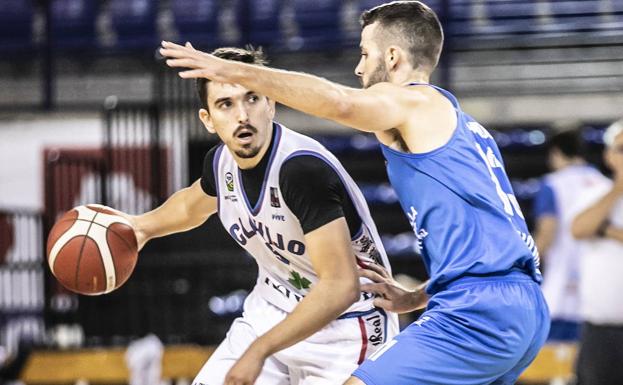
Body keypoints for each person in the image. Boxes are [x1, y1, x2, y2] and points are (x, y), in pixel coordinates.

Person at [159, 1, 549, 384]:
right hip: (520, 308)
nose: (358, 68)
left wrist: (235, 72)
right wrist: (418, 297)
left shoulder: (413, 101)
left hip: (478, 312)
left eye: (365, 54)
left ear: (392, 57)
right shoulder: (464, 128)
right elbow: (491, 247)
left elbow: (340, 103)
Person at [127, 47, 397, 385]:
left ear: (271, 103)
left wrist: (258, 350)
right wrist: (139, 228)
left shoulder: (300, 169)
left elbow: (340, 286)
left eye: (252, 99)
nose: (242, 115)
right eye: (226, 104)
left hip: (346, 328)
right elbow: (190, 205)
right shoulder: (221, 162)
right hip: (269, 311)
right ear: (207, 119)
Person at [533, 128, 600, 341]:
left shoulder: (553, 184)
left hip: (560, 289)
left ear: (555, 153)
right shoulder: (605, 184)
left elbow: (547, 232)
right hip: (596, 289)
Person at [571, 119, 623, 385]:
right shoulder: (595, 193)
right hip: (601, 330)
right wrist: (619, 187)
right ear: (608, 155)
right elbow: (579, 228)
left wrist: (608, 231)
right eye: (622, 149)